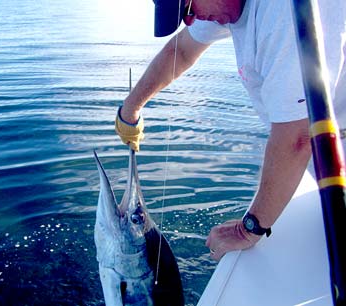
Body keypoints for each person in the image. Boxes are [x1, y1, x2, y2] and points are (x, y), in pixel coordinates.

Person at [114, 0, 346, 261]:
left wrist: (249, 228)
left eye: (188, 9)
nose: (190, 21)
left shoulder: (282, 13)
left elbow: (297, 138)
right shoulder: (228, 7)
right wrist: (130, 109)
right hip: (328, 155)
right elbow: (180, 52)